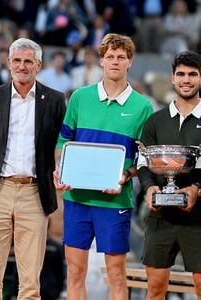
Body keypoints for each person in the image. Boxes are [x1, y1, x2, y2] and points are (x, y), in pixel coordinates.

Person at [53, 33, 153, 300]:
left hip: (115, 200)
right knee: (75, 271)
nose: (115, 61)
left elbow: (144, 158)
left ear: (130, 62)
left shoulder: (143, 106)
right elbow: (64, 140)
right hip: (77, 198)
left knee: (117, 274)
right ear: (101, 60)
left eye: (121, 57)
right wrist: (59, 169)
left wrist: (126, 175)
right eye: (110, 56)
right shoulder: (79, 98)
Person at [0, 37, 66, 299]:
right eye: (17, 60)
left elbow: (60, 145)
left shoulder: (55, 100)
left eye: (28, 61)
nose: (22, 66)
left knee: (30, 282)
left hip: (34, 193)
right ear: (8, 63)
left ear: (38, 65)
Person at [137, 50, 201, 298]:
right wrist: (150, 187)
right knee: (155, 287)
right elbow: (143, 162)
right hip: (161, 216)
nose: (187, 80)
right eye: (181, 74)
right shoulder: (155, 121)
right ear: (172, 78)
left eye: (193, 74)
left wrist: (196, 189)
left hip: (199, 218)